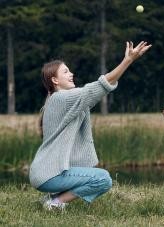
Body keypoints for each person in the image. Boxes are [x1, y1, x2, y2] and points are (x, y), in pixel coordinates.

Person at [29, 41, 152, 210]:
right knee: (103, 179)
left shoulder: (57, 101)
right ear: (55, 80)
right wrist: (128, 60)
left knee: (93, 175)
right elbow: (98, 87)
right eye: (66, 71)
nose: (71, 74)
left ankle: (52, 198)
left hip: (44, 174)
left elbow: (91, 94)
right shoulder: (61, 99)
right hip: (48, 175)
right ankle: (56, 203)